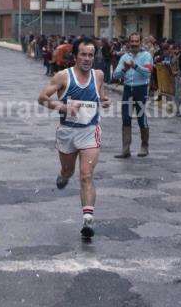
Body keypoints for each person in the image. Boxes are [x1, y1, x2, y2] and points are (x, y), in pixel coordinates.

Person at [38, 37, 110, 239]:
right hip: (68, 133)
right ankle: (63, 175)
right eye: (83, 54)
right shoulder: (63, 76)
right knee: (68, 171)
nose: (87, 59)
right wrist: (63, 107)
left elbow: (100, 95)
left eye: (91, 55)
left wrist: (104, 101)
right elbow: (42, 98)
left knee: (86, 175)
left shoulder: (98, 75)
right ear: (75, 56)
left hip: (90, 131)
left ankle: (88, 220)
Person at [113, 33, 153, 158]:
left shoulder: (146, 55)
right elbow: (115, 75)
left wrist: (134, 66)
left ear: (140, 42)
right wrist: (124, 69)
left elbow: (147, 73)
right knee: (126, 118)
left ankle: (144, 147)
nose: (134, 44)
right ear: (129, 42)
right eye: (132, 41)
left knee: (141, 118)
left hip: (141, 89)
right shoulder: (125, 56)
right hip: (127, 89)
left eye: (137, 41)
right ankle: (125, 150)